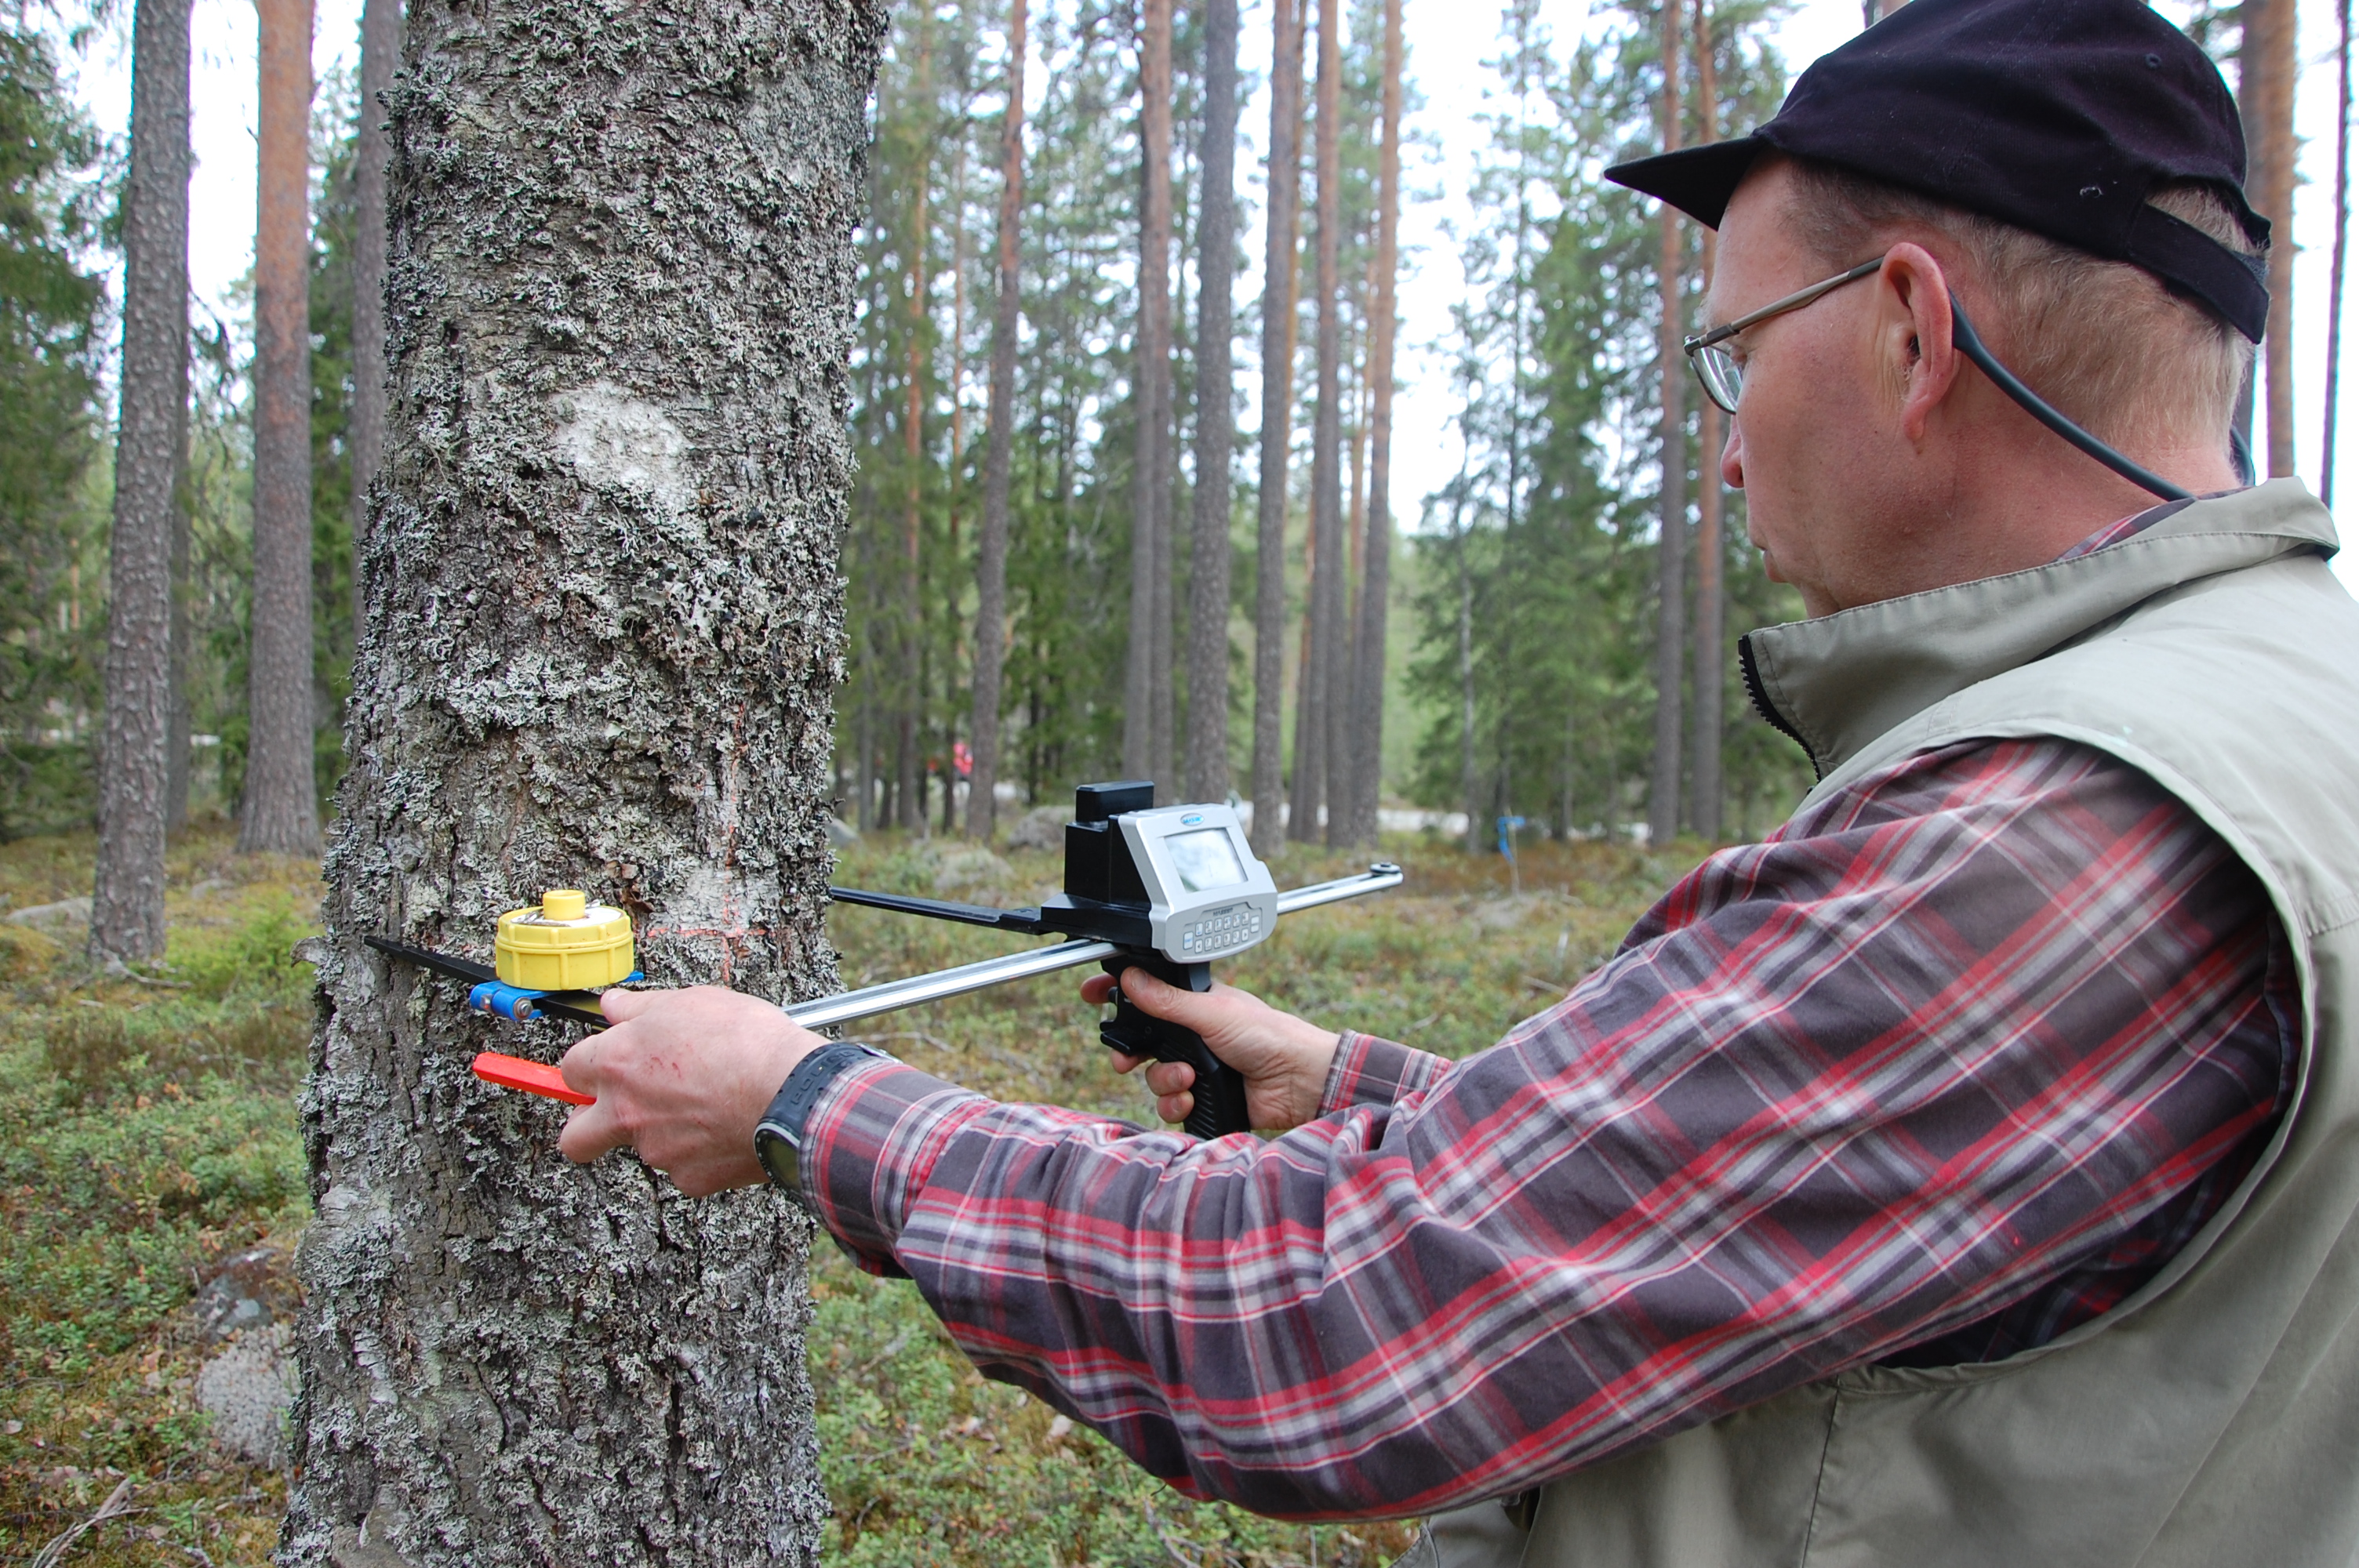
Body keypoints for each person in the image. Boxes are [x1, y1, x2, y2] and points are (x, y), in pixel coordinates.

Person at [554, 0, 2359, 1561]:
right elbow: (1886, 1203)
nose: (1724, 449)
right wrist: (1363, 1089)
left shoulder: (2058, 831)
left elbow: (1326, 1334)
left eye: (1734, 353)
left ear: (1907, 329)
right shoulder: (2279, 709)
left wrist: (801, 1099)